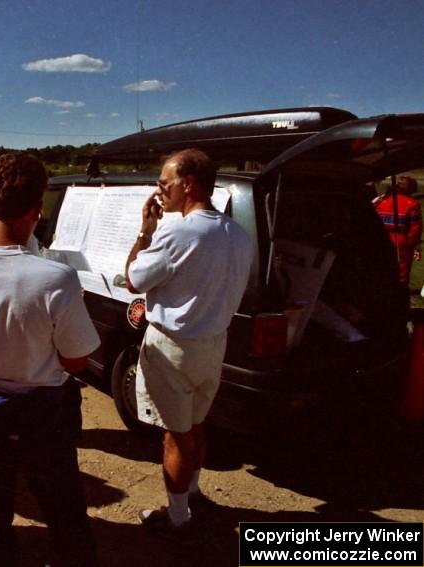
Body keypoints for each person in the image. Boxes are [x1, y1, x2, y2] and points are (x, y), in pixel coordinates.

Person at [0, 154, 101, 566]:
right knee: (62, 504)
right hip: (41, 412)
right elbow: (77, 361)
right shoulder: (56, 278)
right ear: (37, 211)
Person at [123, 148, 252, 537]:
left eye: (165, 183)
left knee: (175, 435)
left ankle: (177, 519)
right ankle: (191, 492)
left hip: (174, 345)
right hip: (214, 342)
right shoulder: (237, 233)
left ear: (188, 184)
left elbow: (134, 279)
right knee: (195, 425)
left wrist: (145, 231)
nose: (161, 191)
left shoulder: (177, 231)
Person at [373, 175, 421, 286]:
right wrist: (414, 245)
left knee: (382, 266)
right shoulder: (412, 204)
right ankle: (399, 294)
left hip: (382, 238)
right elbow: (415, 229)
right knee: (401, 272)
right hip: (400, 240)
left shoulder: (382, 200)